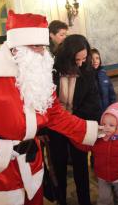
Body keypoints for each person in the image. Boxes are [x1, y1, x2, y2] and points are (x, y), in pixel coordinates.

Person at [0, 10, 101, 205]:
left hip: (32, 159)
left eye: (43, 47)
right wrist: (5, 151)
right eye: (36, 47)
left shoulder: (39, 72)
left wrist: (93, 129)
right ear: (17, 45)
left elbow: (55, 114)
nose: (43, 53)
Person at [46, 34, 101, 205]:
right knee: (58, 164)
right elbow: (43, 103)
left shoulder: (87, 71)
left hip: (79, 124)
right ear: (67, 57)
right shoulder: (51, 71)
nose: (81, 63)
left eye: (84, 58)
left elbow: (93, 103)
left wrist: (74, 121)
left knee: (80, 165)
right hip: (56, 127)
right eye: (77, 59)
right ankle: (61, 199)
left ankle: (84, 200)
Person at [73, 102, 118, 205]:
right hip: (102, 176)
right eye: (104, 124)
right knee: (104, 198)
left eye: (111, 125)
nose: (107, 127)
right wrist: (74, 138)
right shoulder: (98, 138)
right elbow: (85, 146)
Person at [91, 48, 116, 113]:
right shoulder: (87, 78)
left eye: (97, 58)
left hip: (107, 111)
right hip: (94, 113)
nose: (95, 61)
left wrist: (113, 108)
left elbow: (112, 94)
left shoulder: (104, 75)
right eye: (92, 59)